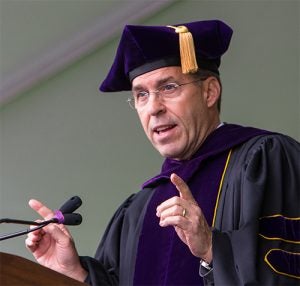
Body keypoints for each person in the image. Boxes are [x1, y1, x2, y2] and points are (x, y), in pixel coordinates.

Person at [25, 20, 300, 285]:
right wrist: (73, 272)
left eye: (168, 87)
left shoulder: (265, 160)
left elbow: (288, 268)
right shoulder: (139, 208)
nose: (153, 107)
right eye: (141, 95)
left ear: (209, 92)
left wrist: (212, 248)